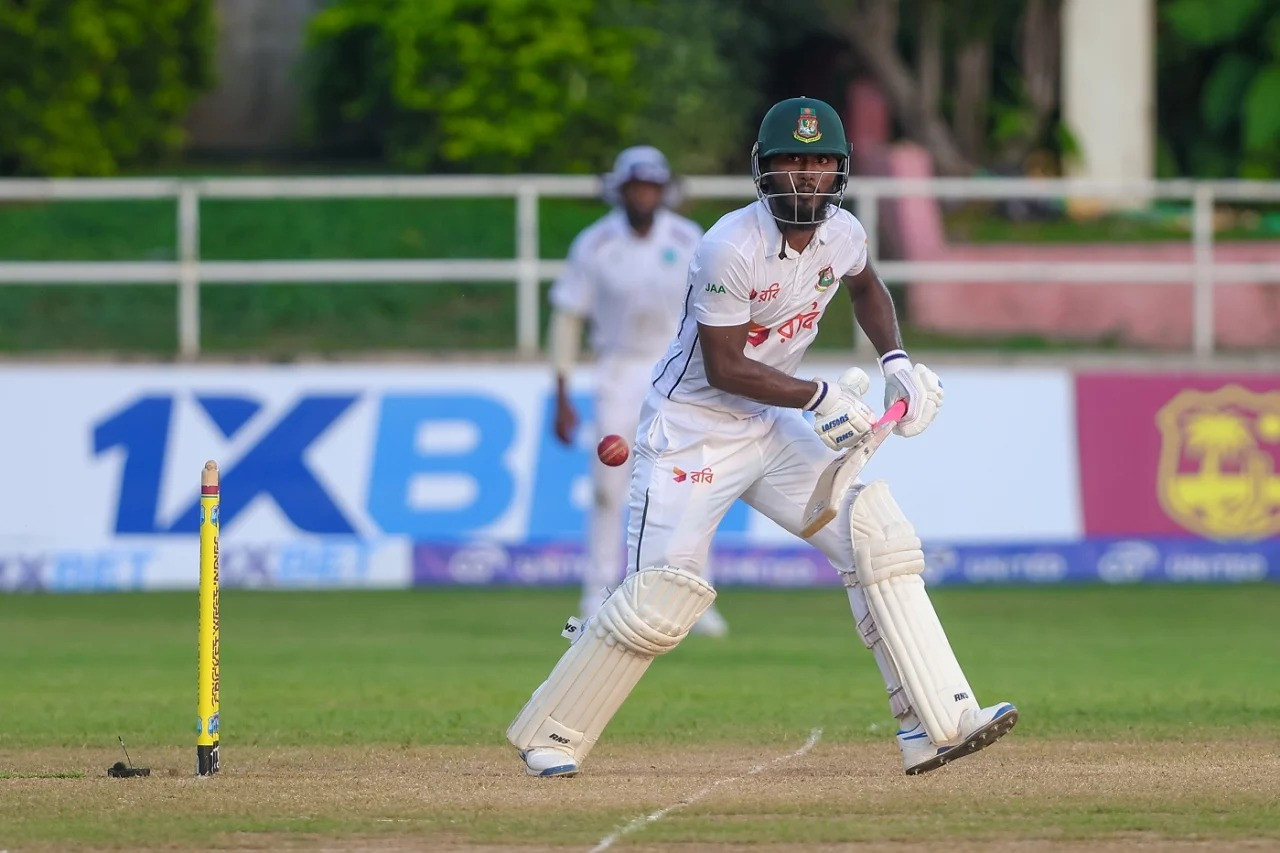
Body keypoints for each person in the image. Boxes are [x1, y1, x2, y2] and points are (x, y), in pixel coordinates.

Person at [509, 98, 1017, 778]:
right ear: (763, 170)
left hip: (767, 425)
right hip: (691, 429)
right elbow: (723, 367)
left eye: (819, 163)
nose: (806, 176)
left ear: (838, 173)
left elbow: (866, 288)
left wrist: (894, 361)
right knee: (659, 594)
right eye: (791, 162)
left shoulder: (842, 233)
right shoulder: (727, 246)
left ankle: (933, 723)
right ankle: (552, 733)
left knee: (874, 537)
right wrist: (818, 394)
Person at [547, 145, 730, 636]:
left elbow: (716, 307)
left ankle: (694, 596)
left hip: (679, 368)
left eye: (652, 186)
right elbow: (568, 317)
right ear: (622, 190)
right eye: (636, 187)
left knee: (693, 483)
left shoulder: (687, 237)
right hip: (619, 371)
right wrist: (561, 392)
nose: (644, 195)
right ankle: (596, 594)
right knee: (611, 487)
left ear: (663, 190)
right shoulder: (596, 242)